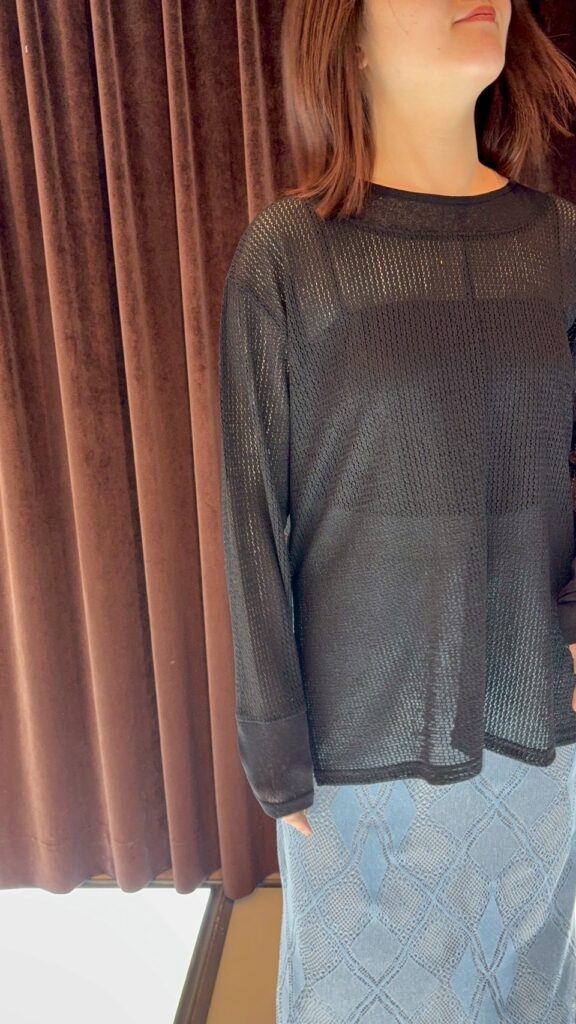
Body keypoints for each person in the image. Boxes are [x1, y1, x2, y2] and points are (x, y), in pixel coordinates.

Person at [218, 0, 576, 1020]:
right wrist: (275, 745)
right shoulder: (289, 256)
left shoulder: (559, 244)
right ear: (349, 35)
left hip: (539, 731)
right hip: (358, 749)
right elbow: (252, 512)